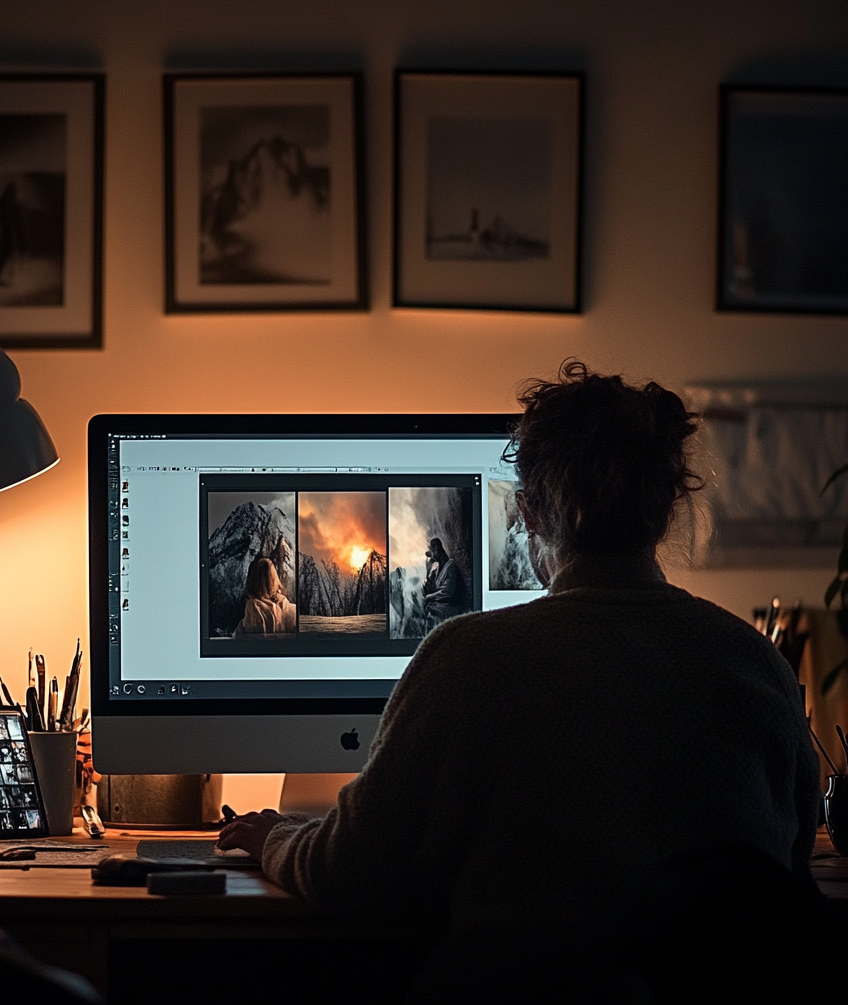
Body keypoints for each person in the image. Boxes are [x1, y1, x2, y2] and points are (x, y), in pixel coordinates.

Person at [219, 361, 818, 947]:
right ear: (664, 511)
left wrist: (273, 837)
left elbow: (348, 875)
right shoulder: (755, 662)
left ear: (528, 511)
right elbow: (788, 871)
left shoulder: (468, 658)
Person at [232, 557, 296, 636]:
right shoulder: (293, 611)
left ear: (251, 581)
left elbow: (239, 642)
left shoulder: (251, 615)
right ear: (275, 578)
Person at [422, 537, 463, 627]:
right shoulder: (437, 568)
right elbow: (435, 587)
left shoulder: (450, 566)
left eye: (432, 552)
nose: (431, 556)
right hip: (440, 604)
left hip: (450, 607)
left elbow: (447, 592)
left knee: (428, 611)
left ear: (437, 550)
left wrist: (429, 597)